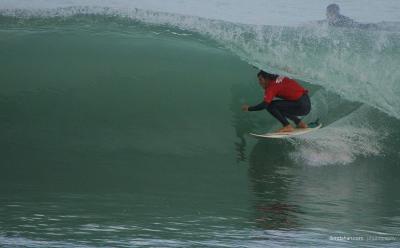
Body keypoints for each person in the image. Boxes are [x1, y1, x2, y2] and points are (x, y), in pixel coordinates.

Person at [241, 70, 311, 133]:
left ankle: (287, 126)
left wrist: (249, 108)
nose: (259, 83)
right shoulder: (279, 75)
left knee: (270, 106)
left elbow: (264, 105)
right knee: (280, 107)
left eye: (260, 79)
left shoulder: (271, 87)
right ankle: (300, 123)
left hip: (301, 106)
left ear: (267, 78)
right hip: (306, 102)